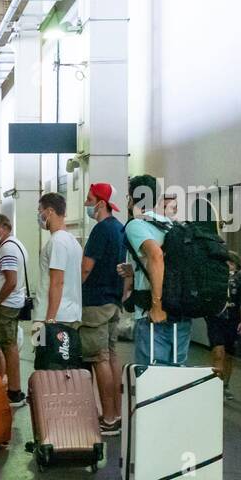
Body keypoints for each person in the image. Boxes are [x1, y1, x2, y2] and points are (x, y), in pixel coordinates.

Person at [121, 173, 189, 366]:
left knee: (152, 379)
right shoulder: (172, 225)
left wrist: (156, 306)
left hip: (153, 315)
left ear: (132, 198)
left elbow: (156, 256)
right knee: (177, 377)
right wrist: (134, 270)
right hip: (180, 311)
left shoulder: (137, 224)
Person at [80, 183, 126, 434]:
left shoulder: (100, 231)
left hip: (96, 302)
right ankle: (117, 412)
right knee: (112, 355)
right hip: (113, 299)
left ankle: (108, 417)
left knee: (99, 359)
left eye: (89, 199)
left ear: (100, 203)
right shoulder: (120, 228)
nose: (87, 204)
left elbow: (86, 268)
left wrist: (74, 291)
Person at [0, 213, 28, 407]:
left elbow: (11, 281)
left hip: (5, 306)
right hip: (10, 304)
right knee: (10, 347)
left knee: (8, 349)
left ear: (5, 227)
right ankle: (14, 389)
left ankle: (14, 392)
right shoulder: (15, 245)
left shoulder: (8, 248)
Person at [36, 192, 83, 364]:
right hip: (68, 314)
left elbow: (57, 282)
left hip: (53, 317)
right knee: (65, 367)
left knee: (46, 365)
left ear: (49, 211)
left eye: (39, 210)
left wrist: (49, 321)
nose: (39, 215)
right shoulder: (73, 241)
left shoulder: (57, 242)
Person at [207, 251, 241, 400]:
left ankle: (225, 385)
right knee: (218, 353)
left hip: (232, 322)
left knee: (229, 356)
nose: (227, 266)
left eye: (231, 264)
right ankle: (216, 386)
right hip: (216, 321)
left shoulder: (239, 284)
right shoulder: (213, 282)